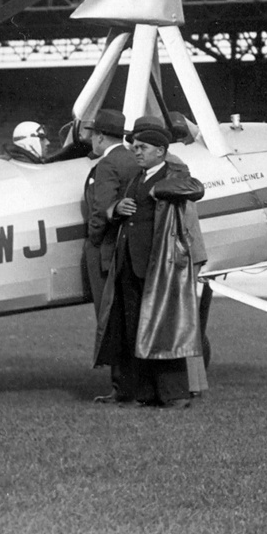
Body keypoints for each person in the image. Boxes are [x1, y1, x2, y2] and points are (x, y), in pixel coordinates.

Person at [93, 116, 207, 409]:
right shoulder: (136, 178)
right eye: (135, 146)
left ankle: (175, 395)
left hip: (160, 268)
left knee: (164, 329)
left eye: (143, 147)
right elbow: (119, 213)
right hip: (131, 264)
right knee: (136, 329)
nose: (136, 151)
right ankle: (147, 394)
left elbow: (195, 188)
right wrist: (115, 208)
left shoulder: (170, 174)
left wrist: (160, 190)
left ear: (161, 150)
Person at [81, 109, 142, 337]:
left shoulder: (108, 164)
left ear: (99, 137)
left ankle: (118, 370)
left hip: (106, 251)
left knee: (108, 315)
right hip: (130, 249)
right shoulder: (134, 159)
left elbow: (101, 210)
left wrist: (94, 241)